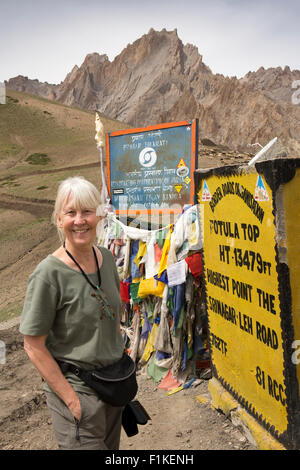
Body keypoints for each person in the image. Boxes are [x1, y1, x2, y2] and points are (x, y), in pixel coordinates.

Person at [19, 176, 125, 450]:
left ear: (99, 215)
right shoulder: (47, 275)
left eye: (87, 211)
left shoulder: (107, 258)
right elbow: (33, 346)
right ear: (58, 219)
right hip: (77, 391)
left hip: (113, 387)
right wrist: (71, 399)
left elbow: (113, 314)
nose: (80, 220)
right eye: (71, 212)